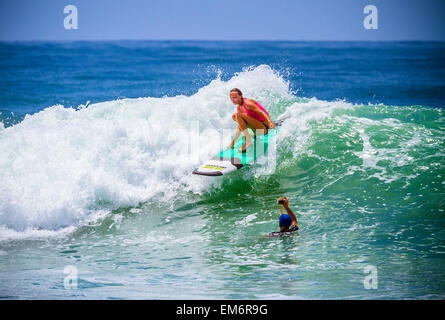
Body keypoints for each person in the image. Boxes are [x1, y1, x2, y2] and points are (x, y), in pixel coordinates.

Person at [228, 88, 276, 153]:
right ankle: (247, 140)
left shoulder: (248, 103)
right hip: (256, 130)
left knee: (238, 115)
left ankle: (248, 141)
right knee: (235, 116)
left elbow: (262, 112)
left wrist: (270, 122)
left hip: (264, 128)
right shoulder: (239, 108)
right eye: (231, 98)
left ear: (241, 96)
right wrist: (233, 142)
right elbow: (240, 126)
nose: (233, 100)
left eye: (235, 98)